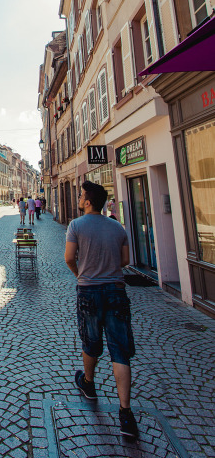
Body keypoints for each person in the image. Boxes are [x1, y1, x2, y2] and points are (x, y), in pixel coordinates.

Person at [64, 180, 138, 440]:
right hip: (116, 290)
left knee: (91, 341)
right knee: (120, 350)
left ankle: (89, 383)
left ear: (87, 201)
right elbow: (126, 261)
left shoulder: (76, 225)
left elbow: (69, 258)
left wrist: (80, 274)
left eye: (82, 195)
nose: (79, 198)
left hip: (89, 290)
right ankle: (126, 413)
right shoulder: (117, 227)